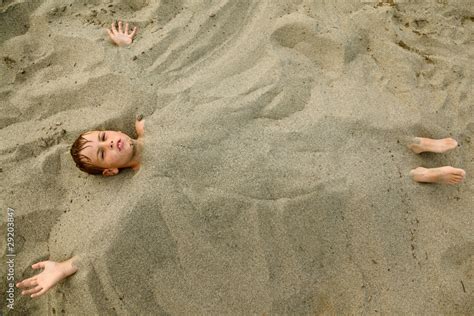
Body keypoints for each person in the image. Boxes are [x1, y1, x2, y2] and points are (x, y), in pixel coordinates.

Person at [16, 21, 140, 299]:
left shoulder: (142, 122)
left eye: (105, 136)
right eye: (103, 152)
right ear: (110, 171)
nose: (109, 142)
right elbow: (109, 236)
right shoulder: (143, 178)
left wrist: (124, 49)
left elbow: (139, 84)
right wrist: (63, 267)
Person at [70, 114, 145, 176]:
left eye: (103, 137)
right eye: (102, 154)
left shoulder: (144, 124)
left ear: (117, 132)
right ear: (110, 171)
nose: (109, 144)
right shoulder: (144, 177)